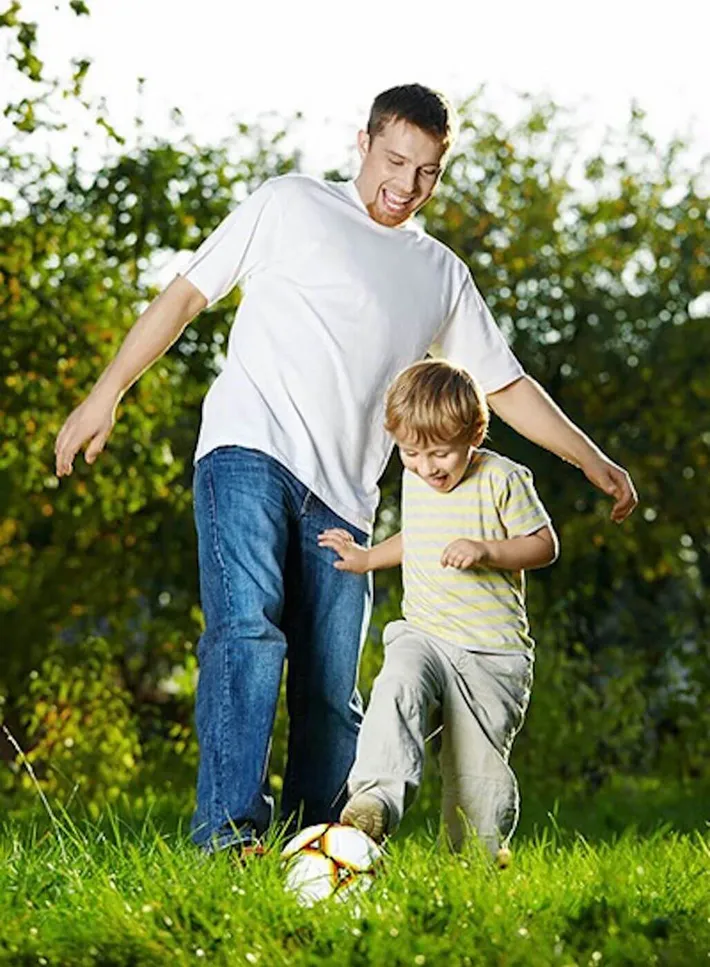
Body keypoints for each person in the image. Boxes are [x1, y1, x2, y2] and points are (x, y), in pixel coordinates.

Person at [54, 84, 637, 855]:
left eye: (427, 171)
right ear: (363, 143)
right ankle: (228, 835)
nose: (406, 184)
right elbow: (187, 295)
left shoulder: (438, 272)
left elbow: (504, 384)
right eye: (394, 160)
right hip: (248, 449)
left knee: (332, 688)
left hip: (347, 498)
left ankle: (322, 845)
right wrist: (106, 393)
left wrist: (590, 457)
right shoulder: (291, 204)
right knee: (247, 632)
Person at [319, 360, 557, 859]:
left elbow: (543, 544)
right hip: (425, 634)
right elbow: (419, 538)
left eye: (441, 453)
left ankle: (473, 866)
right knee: (397, 684)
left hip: (492, 655)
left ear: (474, 434)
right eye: (411, 453)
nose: (428, 467)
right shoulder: (418, 481)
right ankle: (376, 799)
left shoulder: (503, 479)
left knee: (475, 777)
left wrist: (487, 550)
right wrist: (367, 558)